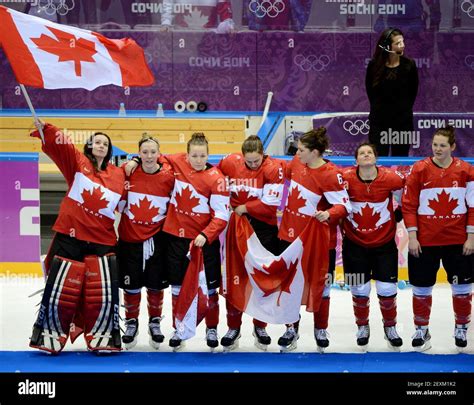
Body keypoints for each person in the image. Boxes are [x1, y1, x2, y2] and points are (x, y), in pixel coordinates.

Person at [29, 121, 125, 354]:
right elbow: (65, 147)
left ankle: (104, 335)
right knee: (61, 287)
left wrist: (135, 162)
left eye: (105, 143)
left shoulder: (119, 175)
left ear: (109, 150)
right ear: (90, 146)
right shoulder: (78, 164)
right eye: (97, 142)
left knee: (101, 292)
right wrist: (47, 129)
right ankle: (49, 332)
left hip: (102, 239)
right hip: (70, 235)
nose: (101, 145)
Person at [277, 127, 351, 352]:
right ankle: (291, 329)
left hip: (319, 243)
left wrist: (329, 213)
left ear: (316, 152)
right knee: (289, 285)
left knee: (322, 287)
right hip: (289, 237)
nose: (296, 153)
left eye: (301, 150)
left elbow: (345, 206)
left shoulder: (331, 175)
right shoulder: (297, 163)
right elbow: (282, 172)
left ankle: (320, 329)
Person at [402, 126, 474, 352]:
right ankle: (421, 329)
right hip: (425, 242)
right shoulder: (419, 169)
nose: (438, 149)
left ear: (453, 146)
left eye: (443, 145)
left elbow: (473, 207)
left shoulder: (467, 171)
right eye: (435, 145)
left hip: (458, 242)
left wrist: (471, 237)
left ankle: (461, 327)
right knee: (421, 288)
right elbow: (409, 205)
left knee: (462, 287)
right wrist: (412, 237)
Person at [162, 133, 230, 350]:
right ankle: (179, 328)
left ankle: (212, 329)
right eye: (194, 155)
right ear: (187, 154)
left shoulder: (217, 179)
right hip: (175, 240)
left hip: (203, 243)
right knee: (177, 288)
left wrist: (205, 235)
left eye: (203, 156)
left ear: (208, 155)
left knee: (209, 289)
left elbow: (222, 215)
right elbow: (156, 157)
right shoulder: (177, 161)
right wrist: (134, 160)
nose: (198, 160)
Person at [216, 135, 284, 351]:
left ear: (263, 154)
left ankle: (260, 325)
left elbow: (271, 204)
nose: (253, 165)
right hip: (237, 227)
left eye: (257, 161)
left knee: (261, 277)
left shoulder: (273, 168)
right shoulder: (229, 162)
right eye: (249, 161)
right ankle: (233, 327)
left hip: (264, 229)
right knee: (234, 275)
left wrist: (244, 208)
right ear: (242, 155)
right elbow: (213, 177)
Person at [342, 143, 405, 350]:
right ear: (356, 160)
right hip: (353, 245)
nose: (366, 155)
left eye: (369, 152)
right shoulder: (345, 178)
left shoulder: (390, 178)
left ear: (376, 158)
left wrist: (401, 210)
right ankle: (362, 326)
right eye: (362, 153)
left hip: (384, 245)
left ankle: (390, 327)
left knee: (387, 288)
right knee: (359, 288)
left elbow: (410, 188)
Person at [117, 134, 175, 350]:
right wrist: (132, 160)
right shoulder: (128, 172)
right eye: (144, 152)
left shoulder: (169, 177)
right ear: (138, 154)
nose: (149, 156)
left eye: (153, 152)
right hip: (130, 240)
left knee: (154, 284)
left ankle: (154, 322)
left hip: (156, 240)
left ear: (159, 154)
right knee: (131, 285)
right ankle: (131, 322)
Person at [366, 27, 419, 157]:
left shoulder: (409, 65)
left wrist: (402, 111)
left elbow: (413, 92)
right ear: (387, 46)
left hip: (402, 123)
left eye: (403, 41)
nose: (403, 45)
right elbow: (370, 92)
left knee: (400, 160)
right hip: (379, 122)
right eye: (397, 43)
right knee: (379, 159)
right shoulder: (374, 65)